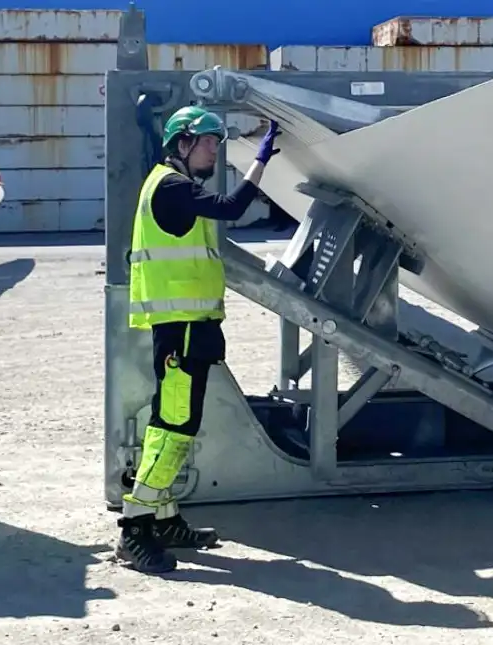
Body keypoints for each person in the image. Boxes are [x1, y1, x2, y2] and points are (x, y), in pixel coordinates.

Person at [115, 105, 280, 573]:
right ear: (183, 144)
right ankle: (135, 529)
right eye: (208, 141)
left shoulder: (172, 184)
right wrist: (262, 160)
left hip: (193, 326)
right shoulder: (172, 187)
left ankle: (165, 518)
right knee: (173, 425)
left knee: (176, 424)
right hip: (181, 330)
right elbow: (233, 208)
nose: (215, 150)